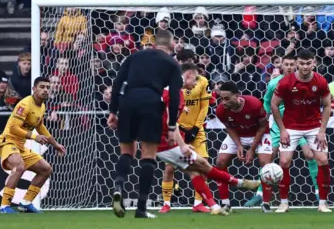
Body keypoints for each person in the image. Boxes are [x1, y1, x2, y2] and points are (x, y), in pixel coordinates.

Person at [154, 64, 259, 217]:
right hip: (164, 142)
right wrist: (182, 145)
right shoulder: (175, 94)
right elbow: (171, 123)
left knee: (194, 170)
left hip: (157, 140)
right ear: (188, 74)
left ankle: (214, 206)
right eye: (195, 79)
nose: (196, 83)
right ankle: (239, 183)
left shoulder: (168, 89)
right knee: (202, 165)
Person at [107, 31, 183, 219]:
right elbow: (174, 96)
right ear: (171, 44)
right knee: (148, 156)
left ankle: (118, 187)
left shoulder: (134, 56)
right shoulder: (172, 64)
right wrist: (172, 125)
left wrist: (113, 111)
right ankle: (141, 209)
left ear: (156, 43)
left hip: (128, 102)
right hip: (151, 102)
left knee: (126, 152)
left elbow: (117, 84)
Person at [245, 55, 320, 208]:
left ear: (297, 65)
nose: (289, 67)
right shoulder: (273, 83)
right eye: (286, 64)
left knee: (310, 154)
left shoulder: (305, 82)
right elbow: (266, 102)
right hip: (280, 127)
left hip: (300, 125)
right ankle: (260, 195)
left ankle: (319, 194)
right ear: (281, 67)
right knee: (269, 157)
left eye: (292, 64)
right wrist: (264, 119)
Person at [271, 49, 332, 213]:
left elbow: (327, 105)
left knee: (323, 160)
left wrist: (322, 130)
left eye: (308, 63)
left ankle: (323, 203)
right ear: (297, 63)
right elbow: (274, 105)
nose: (305, 67)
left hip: (314, 127)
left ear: (314, 63)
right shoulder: (285, 83)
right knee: (284, 162)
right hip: (291, 127)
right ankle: (283, 202)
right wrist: (282, 129)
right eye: (302, 63)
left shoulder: (320, 81)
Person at [0, 77, 66, 214]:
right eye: (42, 87)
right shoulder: (25, 104)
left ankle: (25, 203)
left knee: (46, 169)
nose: (45, 90)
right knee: (19, 166)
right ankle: (4, 207)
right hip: (7, 141)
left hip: (20, 146)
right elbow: (14, 128)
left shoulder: (42, 105)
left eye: (47, 87)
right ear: (34, 89)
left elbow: (40, 126)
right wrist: (34, 137)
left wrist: (55, 144)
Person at [159, 60, 213, 214]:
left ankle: (198, 203)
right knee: (169, 168)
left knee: (203, 166)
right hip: (177, 130)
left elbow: (205, 107)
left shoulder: (202, 81)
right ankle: (166, 203)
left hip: (196, 130)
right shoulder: (172, 86)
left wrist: (196, 127)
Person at [215, 81, 273, 212]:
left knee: (266, 164)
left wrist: (252, 149)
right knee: (220, 162)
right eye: (221, 99)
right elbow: (229, 128)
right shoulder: (220, 110)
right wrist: (239, 145)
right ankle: (225, 204)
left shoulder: (254, 104)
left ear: (237, 96)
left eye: (227, 98)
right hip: (238, 135)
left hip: (259, 134)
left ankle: (266, 203)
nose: (223, 102)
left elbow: (263, 126)